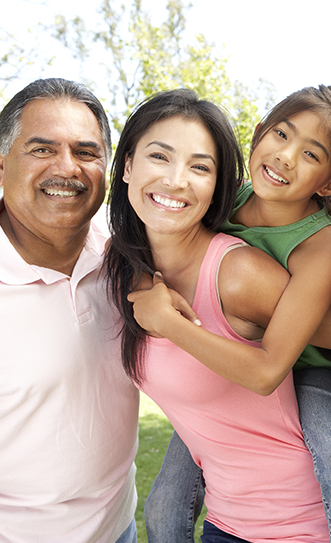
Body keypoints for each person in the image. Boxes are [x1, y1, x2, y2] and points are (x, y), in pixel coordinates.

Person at [106, 88, 331, 542]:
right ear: (127, 167)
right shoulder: (122, 266)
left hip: (302, 524)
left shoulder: (242, 273)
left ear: (216, 185)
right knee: (161, 511)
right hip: (225, 521)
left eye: (200, 166)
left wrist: (170, 324)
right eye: (160, 157)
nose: (177, 180)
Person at [0, 78, 139, 542]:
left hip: (119, 528)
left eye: (86, 151)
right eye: (42, 150)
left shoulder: (128, 260)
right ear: (1, 164)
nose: (67, 168)